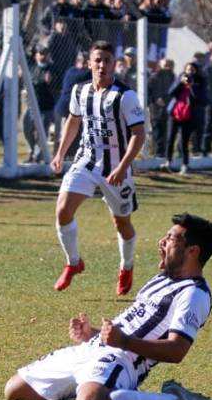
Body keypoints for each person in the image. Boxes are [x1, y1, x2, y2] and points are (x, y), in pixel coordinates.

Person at [4, 212, 212, 400]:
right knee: (14, 390)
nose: (161, 242)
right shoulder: (161, 279)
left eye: (171, 238)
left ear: (192, 251)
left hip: (122, 359)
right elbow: (136, 324)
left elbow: (176, 350)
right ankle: (100, 391)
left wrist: (123, 341)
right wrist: (94, 333)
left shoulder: (194, 293)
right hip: (93, 348)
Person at [51, 40, 147, 296]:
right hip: (86, 161)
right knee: (63, 210)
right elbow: (73, 121)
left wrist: (123, 167)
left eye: (107, 60)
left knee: (122, 223)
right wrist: (60, 153)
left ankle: (126, 266)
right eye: (97, 60)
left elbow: (139, 134)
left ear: (114, 64)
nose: (102, 65)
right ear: (89, 63)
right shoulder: (79, 91)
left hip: (117, 168)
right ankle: (73, 262)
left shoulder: (125, 96)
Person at [161, 62, 208, 175]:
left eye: (192, 70)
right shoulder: (180, 78)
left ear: (196, 71)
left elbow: (198, 97)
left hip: (188, 115)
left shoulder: (199, 82)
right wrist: (180, 83)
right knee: (170, 138)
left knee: (184, 141)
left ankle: (185, 164)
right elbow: (171, 92)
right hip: (175, 113)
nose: (189, 72)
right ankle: (168, 162)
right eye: (188, 69)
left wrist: (191, 85)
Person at [23, 46, 56, 163]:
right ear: (36, 55)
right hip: (32, 105)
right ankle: (33, 151)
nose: (42, 56)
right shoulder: (32, 68)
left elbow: (51, 84)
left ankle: (36, 158)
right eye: (40, 53)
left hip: (46, 107)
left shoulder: (52, 69)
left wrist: (47, 82)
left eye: (45, 54)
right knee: (27, 129)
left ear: (48, 55)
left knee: (42, 133)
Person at [149, 59, 175, 158]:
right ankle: (158, 153)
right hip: (156, 110)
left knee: (168, 132)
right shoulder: (154, 77)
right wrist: (156, 99)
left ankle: (166, 153)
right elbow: (149, 92)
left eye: (170, 65)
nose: (167, 67)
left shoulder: (173, 77)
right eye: (165, 65)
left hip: (170, 109)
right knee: (158, 131)